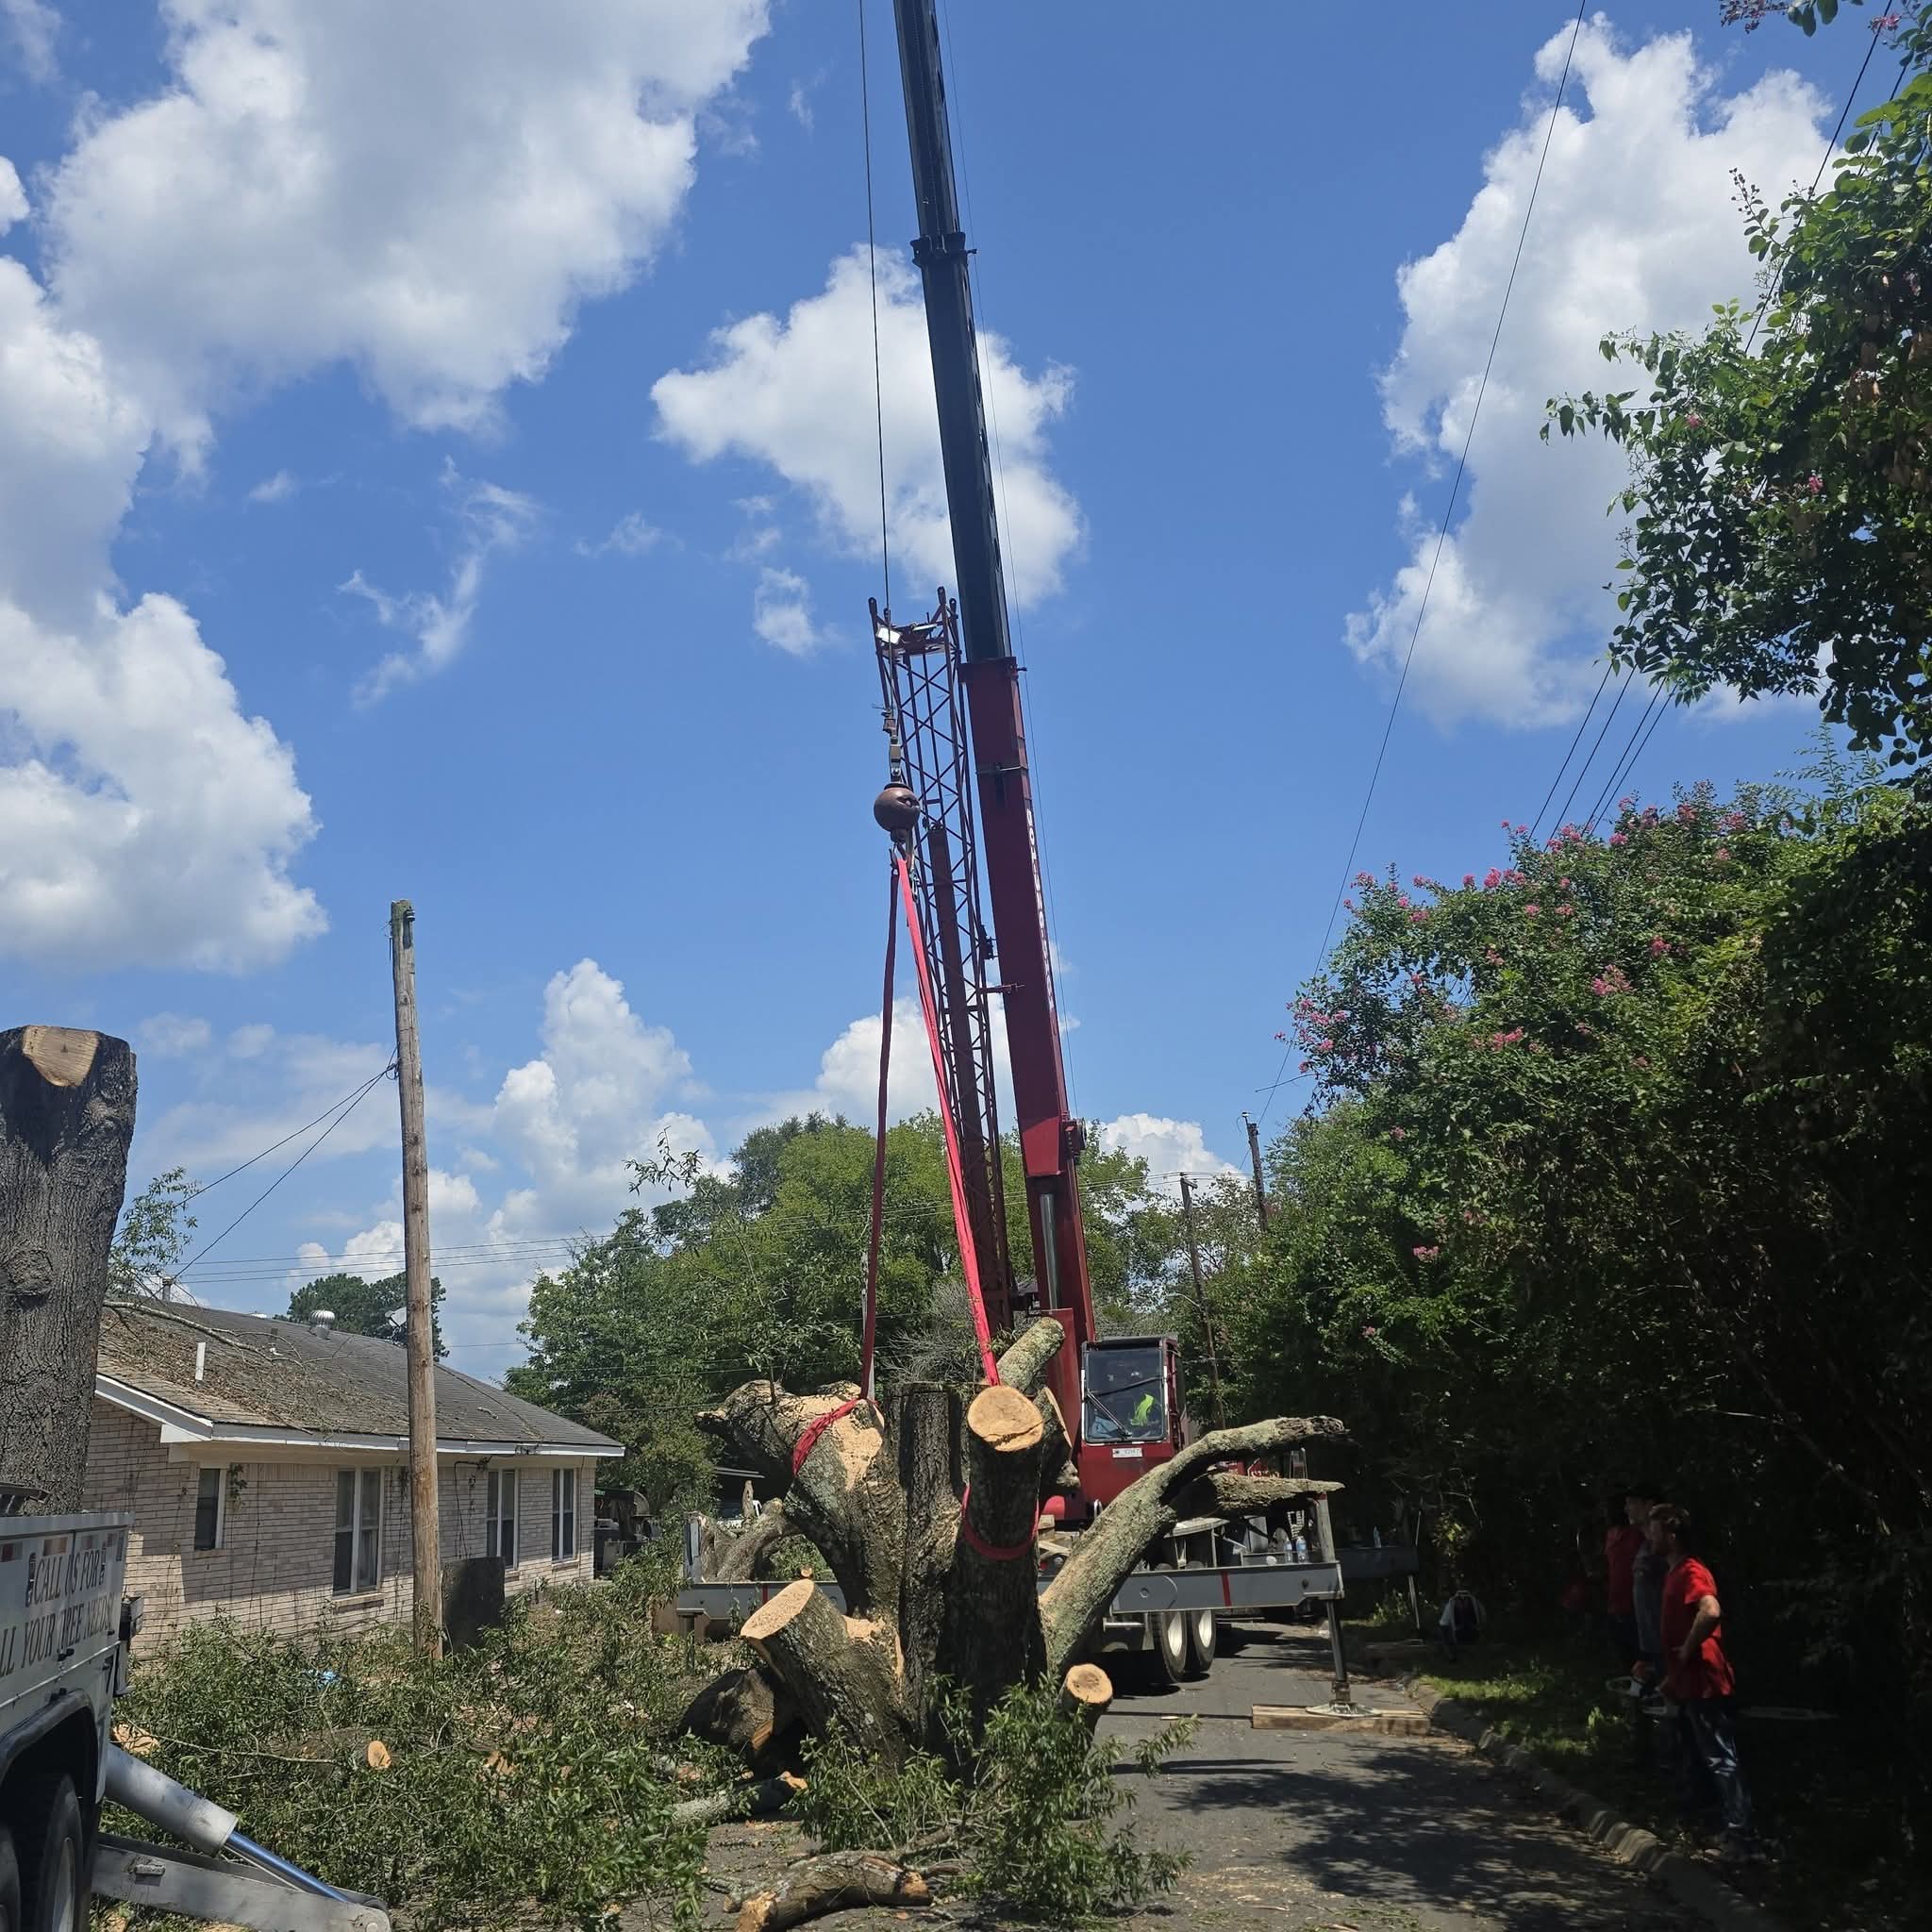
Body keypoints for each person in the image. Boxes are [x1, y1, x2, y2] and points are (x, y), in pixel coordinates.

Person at [1652, 1504, 1756, 1858]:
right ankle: (1722, 1826)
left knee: (1721, 1758)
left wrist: (1686, 1650)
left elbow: (1710, 1610)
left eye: (1654, 1531)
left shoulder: (1692, 1570)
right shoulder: (1674, 1572)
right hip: (1689, 1683)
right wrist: (1672, 1677)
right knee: (1706, 1757)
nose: (1649, 1538)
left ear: (1671, 1535)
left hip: (1706, 1682)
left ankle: (1741, 1837)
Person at [1604, 1486, 1647, 1672]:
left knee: (1644, 1661)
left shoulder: (1638, 1534)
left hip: (1637, 1608)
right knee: (1624, 1661)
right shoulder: (1610, 1534)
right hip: (1615, 1606)